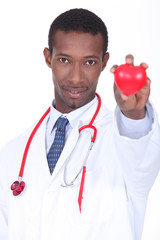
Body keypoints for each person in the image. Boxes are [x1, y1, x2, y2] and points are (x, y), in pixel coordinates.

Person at [0, 8, 160, 240]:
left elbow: (140, 150)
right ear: (48, 58)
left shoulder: (120, 141)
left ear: (104, 62)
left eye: (89, 62)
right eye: (64, 60)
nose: (76, 77)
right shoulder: (12, 154)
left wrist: (133, 113)